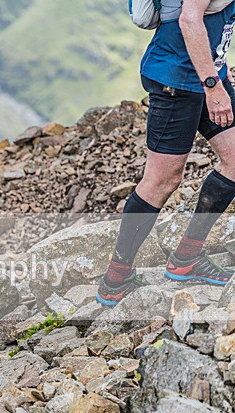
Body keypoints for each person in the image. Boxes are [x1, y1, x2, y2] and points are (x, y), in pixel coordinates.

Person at [98, 0, 235, 306]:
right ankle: (115, 279)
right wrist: (213, 86)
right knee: (162, 180)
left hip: (207, 74)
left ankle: (187, 257)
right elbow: (189, 20)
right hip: (178, 78)